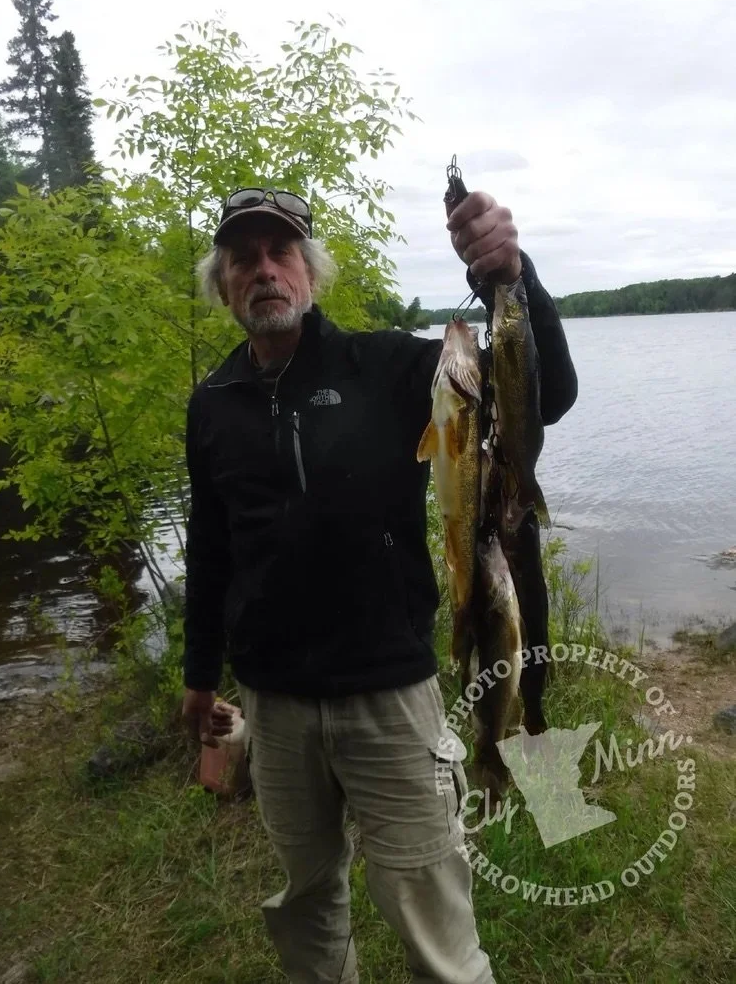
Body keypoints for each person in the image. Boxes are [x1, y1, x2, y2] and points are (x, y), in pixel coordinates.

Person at [182, 185, 578, 984]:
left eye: (281, 252)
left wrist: (512, 279)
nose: (264, 269)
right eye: (243, 258)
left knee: (432, 916)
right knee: (308, 905)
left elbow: (547, 397)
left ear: (311, 272)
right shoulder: (212, 402)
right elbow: (212, 548)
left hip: (389, 695)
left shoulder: (391, 365)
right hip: (276, 703)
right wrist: (198, 675)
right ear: (223, 283)